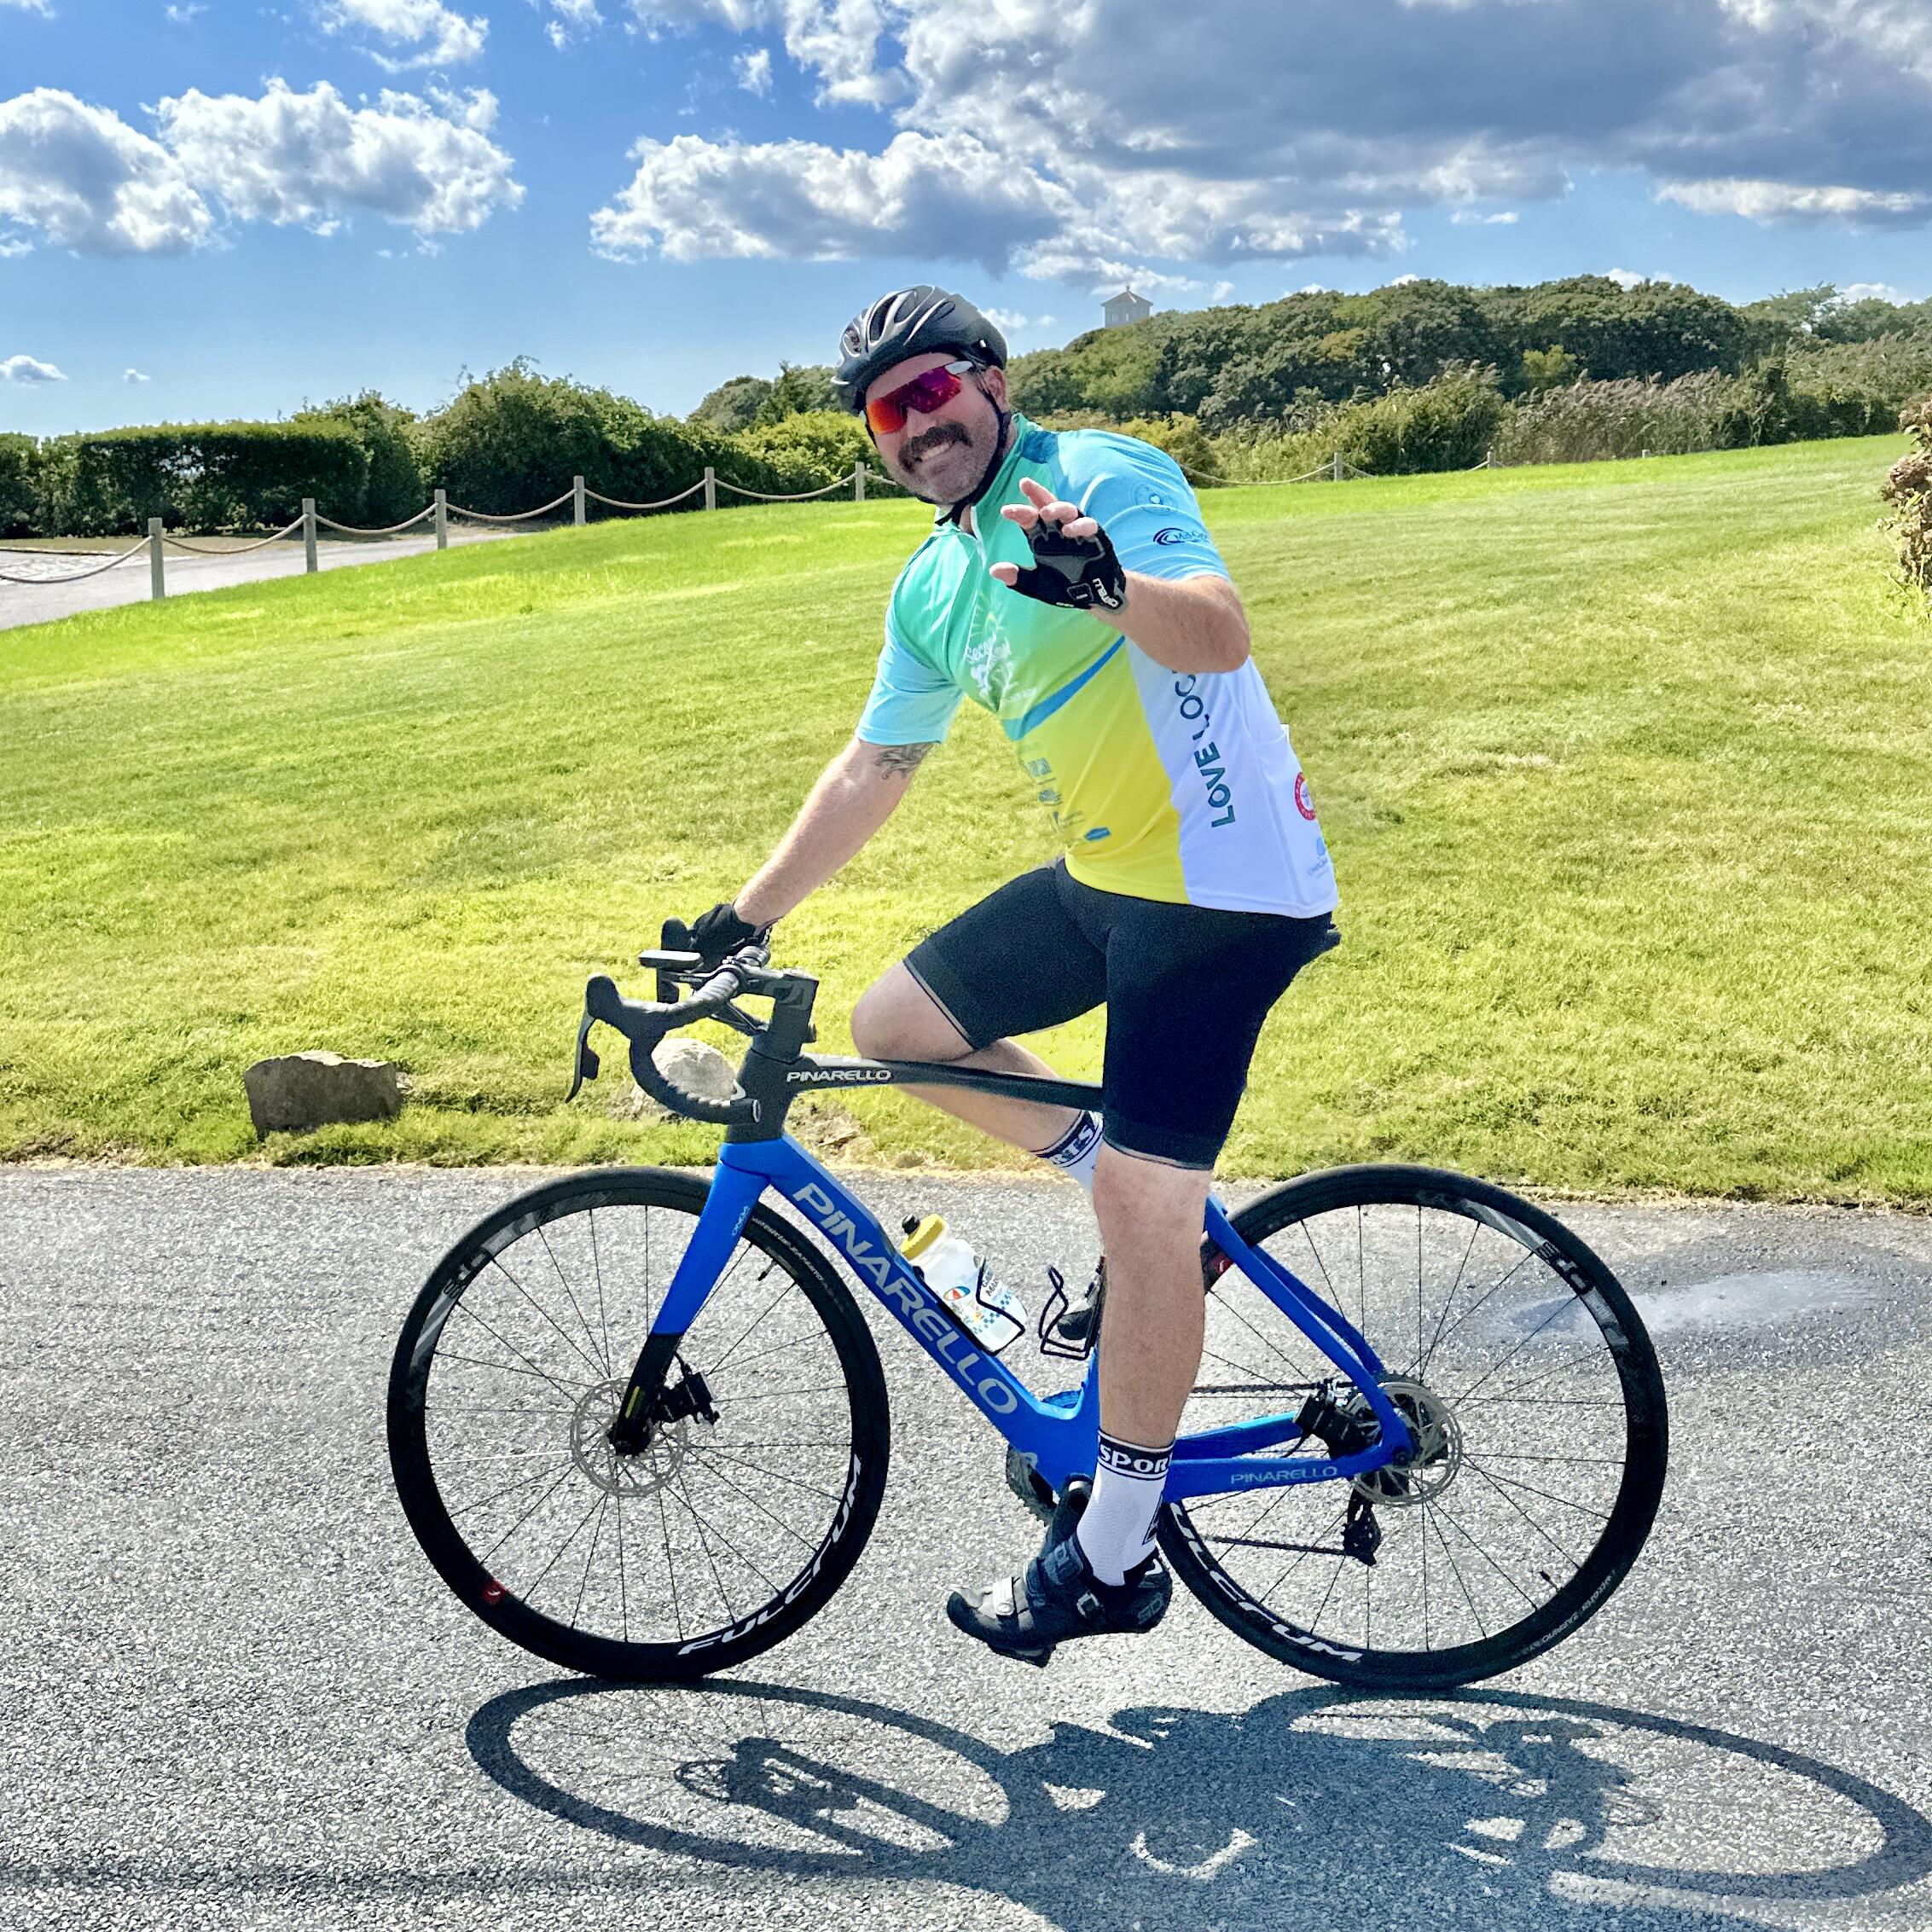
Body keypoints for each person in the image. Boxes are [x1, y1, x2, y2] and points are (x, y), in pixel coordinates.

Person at [677, 285, 1339, 1663]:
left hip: (1223, 885)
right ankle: (1125, 1204)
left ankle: (1113, 1553)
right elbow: (875, 766)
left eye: (931, 391)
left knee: (1149, 1211)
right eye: (884, 411)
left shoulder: (1096, 476)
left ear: (991, 378)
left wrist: (1108, 584)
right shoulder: (932, 582)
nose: (913, 426)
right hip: (1108, 877)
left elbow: (1217, 629)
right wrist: (740, 917)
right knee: (895, 1023)